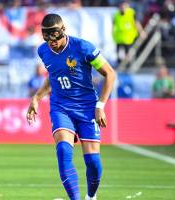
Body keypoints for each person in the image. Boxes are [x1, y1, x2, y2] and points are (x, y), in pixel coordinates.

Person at [26, 14, 116, 200]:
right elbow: (53, 76)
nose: (52, 43)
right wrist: (37, 97)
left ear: (63, 31)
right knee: (63, 151)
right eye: (47, 39)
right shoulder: (43, 51)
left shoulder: (83, 47)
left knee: (93, 162)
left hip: (87, 107)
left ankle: (91, 196)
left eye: (55, 38)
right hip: (61, 107)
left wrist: (101, 105)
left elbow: (110, 74)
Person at [112, 0, 145, 64]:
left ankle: (129, 66)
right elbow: (113, 26)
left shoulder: (131, 13)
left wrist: (141, 32)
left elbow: (136, 23)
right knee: (119, 57)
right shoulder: (116, 15)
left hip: (129, 39)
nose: (123, 7)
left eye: (124, 6)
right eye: (121, 6)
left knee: (129, 56)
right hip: (119, 39)